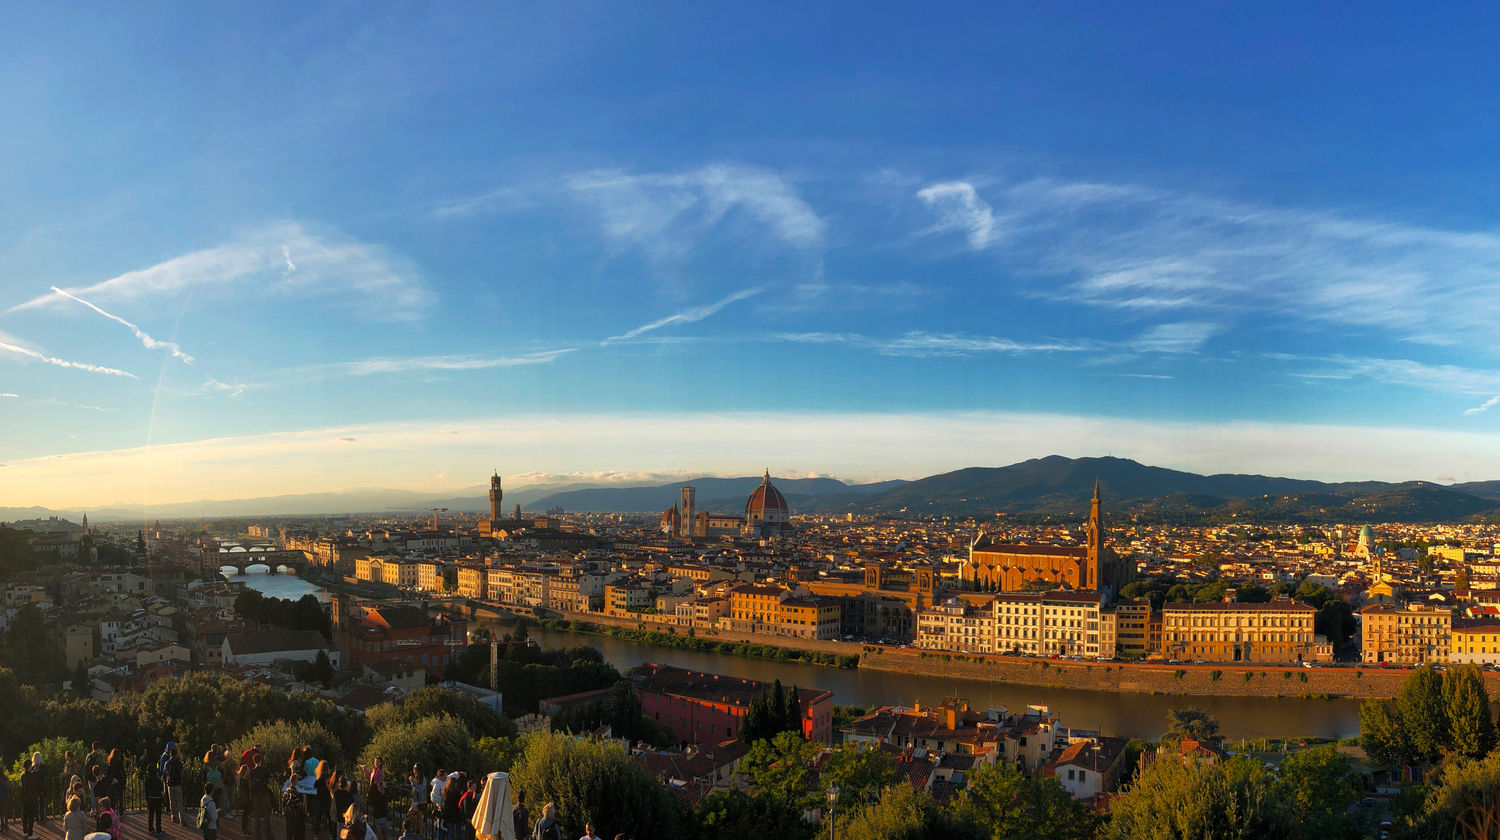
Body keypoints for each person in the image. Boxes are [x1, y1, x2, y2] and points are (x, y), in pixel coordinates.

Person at [161, 744, 184, 826]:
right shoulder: (179, 762)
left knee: (172, 801)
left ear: (170, 754)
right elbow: (181, 771)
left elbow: (164, 771)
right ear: (176, 753)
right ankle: (182, 819)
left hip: (170, 784)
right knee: (180, 802)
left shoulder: (167, 763)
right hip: (178, 784)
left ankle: (173, 817)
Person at [23, 754, 44, 840]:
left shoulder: (23, 775)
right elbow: (32, 787)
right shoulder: (31, 777)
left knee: (25, 816)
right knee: (31, 816)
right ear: (29, 766)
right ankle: (30, 833)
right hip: (31, 799)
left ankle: (25, 832)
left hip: (24, 798)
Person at [282, 768, 308, 840]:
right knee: (297, 833)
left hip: (288, 815)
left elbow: (283, 803)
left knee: (289, 833)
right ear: (296, 781)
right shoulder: (297, 793)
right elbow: (299, 805)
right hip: (295, 816)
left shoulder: (286, 792)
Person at [143, 760, 164, 835]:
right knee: (158, 814)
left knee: (151, 814)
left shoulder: (147, 780)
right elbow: (161, 789)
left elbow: (146, 790)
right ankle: (158, 829)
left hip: (150, 798)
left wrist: (147, 799)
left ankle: (150, 828)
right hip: (158, 798)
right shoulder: (158, 780)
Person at [105, 751, 125, 816]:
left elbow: (108, 773)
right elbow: (123, 772)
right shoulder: (120, 762)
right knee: (120, 797)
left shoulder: (109, 762)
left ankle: (113, 810)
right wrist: (123, 781)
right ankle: (121, 810)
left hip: (113, 781)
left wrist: (111, 779)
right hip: (119, 780)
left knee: (112, 796)